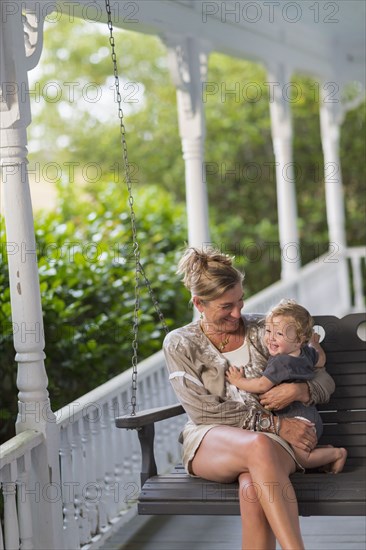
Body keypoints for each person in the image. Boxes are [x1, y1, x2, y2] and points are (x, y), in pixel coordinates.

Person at [163, 247, 336, 550]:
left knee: (252, 489)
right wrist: (276, 425)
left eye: (240, 300)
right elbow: (204, 412)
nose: (237, 312)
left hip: (275, 443)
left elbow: (322, 379)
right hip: (212, 438)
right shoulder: (180, 343)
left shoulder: (264, 329)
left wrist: (299, 390)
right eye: (226, 306)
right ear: (198, 304)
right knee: (258, 444)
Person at [226, 298, 347, 473]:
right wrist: (315, 343)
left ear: (298, 340)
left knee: (303, 459)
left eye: (279, 335)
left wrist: (238, 381)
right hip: (311, 415)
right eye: (268, 331)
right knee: (297, 452)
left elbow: (261, 385)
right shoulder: (306, 352)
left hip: (298, 420)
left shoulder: (280, 362)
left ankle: (336, 454)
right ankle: (325, 451)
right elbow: (321, 360)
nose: (270, 339)